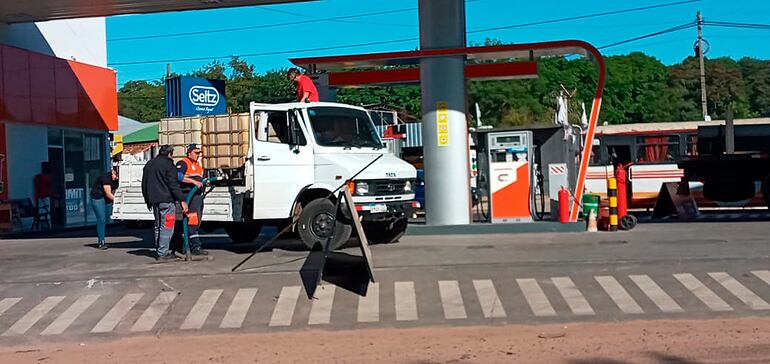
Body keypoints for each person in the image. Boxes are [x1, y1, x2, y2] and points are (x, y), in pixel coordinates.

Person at [142, 145, 188, 262]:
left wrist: (147, 200)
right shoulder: (169, 165)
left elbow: (144, 184)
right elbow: (173, 185)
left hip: (154, 200)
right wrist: (182, 200)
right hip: (166, 200)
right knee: (167, 227)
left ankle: (160, 250)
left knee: (158, 226)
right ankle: (163, 253)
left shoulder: (149, 164)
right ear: (170, 154)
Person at [176, 144, 208, 256]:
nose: (198, 155)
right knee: (192, 220)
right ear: (189, 152)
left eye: (199, 153)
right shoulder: (183, 163)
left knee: (197, 220)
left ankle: (190, 245)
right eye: (196, 153)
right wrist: (193, 182)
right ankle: (194, 246)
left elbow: (201, 178)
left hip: (198, 196)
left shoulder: (198, 165)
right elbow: (179, 176)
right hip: (189, 195)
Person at [91, 167, 119, 250]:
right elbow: (108, 194)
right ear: (112, 171)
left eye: (118, 176)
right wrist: (119, 202)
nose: (116, 178)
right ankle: (101, 242)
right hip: (97, 198)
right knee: (101, 219)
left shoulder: (117, 179)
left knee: (107, 219)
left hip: (106, 200)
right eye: (115, 175)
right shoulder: (106, 178)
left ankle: (102, 238)